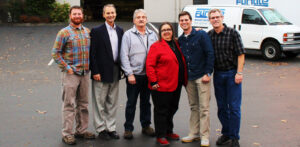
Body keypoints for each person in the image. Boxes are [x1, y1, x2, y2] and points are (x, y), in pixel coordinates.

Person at [52, 5, 95, 145]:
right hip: (71, 74)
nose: (77, 16)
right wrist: (67, 68)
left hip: (84, 73)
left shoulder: (87, 32)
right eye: (74, 14)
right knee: (69, 104)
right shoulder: (64, 33)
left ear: (83, 16)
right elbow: (55, 53)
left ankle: (81, 131)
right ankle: (67, 133)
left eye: (79, 14)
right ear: (70, 16)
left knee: (83, 104)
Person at [207, 9, 245, 147]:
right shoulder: (209, 35)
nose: (215, 19)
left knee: (234, 107)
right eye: (212, 17)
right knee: (222, 107)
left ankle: (234, 138)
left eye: (217, 17)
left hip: (232, 74)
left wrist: (239, 73)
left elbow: (241, 54)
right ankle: (227, 133)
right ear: (209, 20)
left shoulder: (232, 33)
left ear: (222, 17)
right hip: (218, 75)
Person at [146, 22, 187, 146]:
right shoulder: (156, 46)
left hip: (176, 84)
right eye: (163, 30)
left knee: (172, 108)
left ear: (172, 31)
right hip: (161, 85)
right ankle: (161, 135)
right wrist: (154, 81)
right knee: (161, 111)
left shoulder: (176, 44)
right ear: (160, 33)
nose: (166, 32)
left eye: (168, 29)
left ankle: (169, 131)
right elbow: (150, 65)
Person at [178, 11, 214, 147]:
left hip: (201, 76)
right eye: (181, 20)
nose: (184, 22)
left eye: (186, 20)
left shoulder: (201, 35)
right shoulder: (180, 40)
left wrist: (208, 73)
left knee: (204, 108)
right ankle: (194, 133)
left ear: (191, 21)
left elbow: (210, 53)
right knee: (194, 107)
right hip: (189, 78)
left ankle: (205, 136)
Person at [120, 9, 157, 140]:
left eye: (143, 17)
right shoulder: (128, 35)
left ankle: (146, 126)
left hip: (148, 75)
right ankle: (128, 128)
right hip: (134, 75)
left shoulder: (153, 34)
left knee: (146, 102)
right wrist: (129, 73)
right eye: (138, 17)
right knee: (131, 103)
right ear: (134, 20)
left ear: (146, 19)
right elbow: (123, 55)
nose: (141, 19)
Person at [89, 4, 124, 140]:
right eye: (107, 13)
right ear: (103, 15)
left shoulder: (120, 30)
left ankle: (111, 128)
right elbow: (92, 53)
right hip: (101, 72)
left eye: (112, 13)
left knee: (112, 101)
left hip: (115, 70)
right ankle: (101, 129)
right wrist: (95, 71)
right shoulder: (97, 31)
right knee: (99, 102)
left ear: (115, 14)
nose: (110, 15)